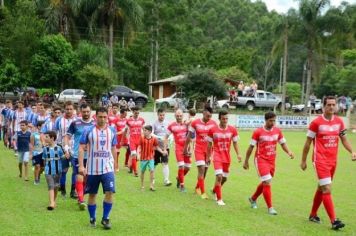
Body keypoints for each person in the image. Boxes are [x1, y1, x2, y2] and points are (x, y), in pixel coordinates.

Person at [301, 96, 356, 230]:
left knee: (321, 187)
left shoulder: (339, 122)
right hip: (319, 160)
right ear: (323, 106)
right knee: (327, 188)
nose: (331, 107)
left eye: (333, 105)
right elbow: (308, 143)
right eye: (329, 105)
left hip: (333, 160)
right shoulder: (316, 123)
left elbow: (344, 139)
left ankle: (313, 215)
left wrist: (352, 151)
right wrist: (303, 160)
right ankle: (334, 221)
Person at [243, 112, 294, 215]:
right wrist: (246, 161)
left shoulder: (277, 131)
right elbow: (251, 147)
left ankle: (253, 198)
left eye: (274, 120)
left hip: (272, 160)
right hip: (260, 160)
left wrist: (289, 152)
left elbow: (282, 143)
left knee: (265, 182)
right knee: (267, 182)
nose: (273, 123)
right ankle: (270, 208)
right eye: (271, 121)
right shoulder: (258, 132)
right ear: (265, 120)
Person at [79, 107, 117, 229]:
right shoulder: (88, 130)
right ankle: (92, 218)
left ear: (107, 117)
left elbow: (113, 148)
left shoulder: (112, 130)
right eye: (100, 117)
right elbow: (81, 148)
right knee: (92, 194)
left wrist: (115, 165)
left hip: (108, 168)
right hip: (92, 169)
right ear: (96, 117)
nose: (102, 119)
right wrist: (81, 165)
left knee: (110, 192)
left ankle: (105, 218)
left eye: (105, 117)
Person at [207, 110, 241, 206]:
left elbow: (235, 143)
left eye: (226, 118)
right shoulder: (213, 130)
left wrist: (238, 154)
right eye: (223, 118)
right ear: (219, 119)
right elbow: (209, 144)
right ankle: (219, 199)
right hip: (217, 155)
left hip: (226, 157)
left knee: (224, 179)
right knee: (219, 176)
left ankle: (214, 190)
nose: (225, 120)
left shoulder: (232, 130)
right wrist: (208, 157)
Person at [65, 104, 95, 210]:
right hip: (78, 155)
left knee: (87, 178)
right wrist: (66, 147)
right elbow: (67, 136)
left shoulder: (95, 123)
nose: (86, 114)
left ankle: (80, 196)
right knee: (79, 175)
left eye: (88, 111)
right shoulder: (75, 123)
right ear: (80, 112)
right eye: (84, 112)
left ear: (91, 111)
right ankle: (81, 200)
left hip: (92, 156)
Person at [184, 106, 216, 199]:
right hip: (198, 149)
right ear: (203, 113)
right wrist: (185, 148)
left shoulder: (214, 124)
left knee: (205, 171)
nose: (208, 118)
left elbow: (216, 137)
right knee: (201, 169)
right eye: (207, 116)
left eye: (210, 116)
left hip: (209, 150)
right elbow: (189, 136)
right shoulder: (195, 123)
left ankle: (197, 187)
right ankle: (203, 193)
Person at [55, 101, 76, 198]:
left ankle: (73, 191)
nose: (69, 111)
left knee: (75, 171)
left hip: (74, 148)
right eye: (67, 109)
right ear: (64, 109)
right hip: (62, 147)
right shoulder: (59, 120)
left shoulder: (77, 120)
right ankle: (63, 189)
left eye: (71, 109)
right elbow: (55, 133)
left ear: (73, 109)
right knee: (64, 170)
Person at [166, 109, 191, 192]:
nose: (179, 117)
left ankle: (178, 178)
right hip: (178, 148)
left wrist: (190, 148)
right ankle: (182, 185)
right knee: (181, 166)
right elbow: (165, 136)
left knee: (187, 168)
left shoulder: (187, 125)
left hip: (187, 148)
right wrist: (165, 147)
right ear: (175, 116)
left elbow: (191, 135)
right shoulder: (171, 126)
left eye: (180, 116)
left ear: (183, 116)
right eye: (177, 116)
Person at [42, 131, 65, 210]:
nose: (45, 138)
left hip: (58, 170)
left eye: (47, 137)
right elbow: (44, 159)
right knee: (51, 186)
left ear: (52, 138)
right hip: (48, 171)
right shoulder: (45, 149)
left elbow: (62, 157)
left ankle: (53, 201)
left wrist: (67, 156)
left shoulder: (58, 148)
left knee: (56, 186)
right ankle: (51, 203)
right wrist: (44, 168)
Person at [139, 125, 166, 191]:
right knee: (142, 172)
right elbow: (139, 147)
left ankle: (151, 185)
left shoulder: (154, 139)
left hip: (151, 158)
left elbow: (156, 147)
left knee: (152, 170)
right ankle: (142, 185)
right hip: (143, 158)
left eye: (145, 130)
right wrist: (137, 154)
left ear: (150, 131)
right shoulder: (142, 138)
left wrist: (162, 152)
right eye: (143, 130)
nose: (144, 132)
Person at [152, 108, 171, 186]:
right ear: (157, 115)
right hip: (156, 147)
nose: (162, 116)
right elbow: (151, 133)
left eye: (163, 115)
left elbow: (171, 133)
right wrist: (158, 137)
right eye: (160, 115)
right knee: (154, 164)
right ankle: (152, 179)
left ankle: (166, 180)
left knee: (165, 163)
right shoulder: (154, 124)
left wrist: (170, 138)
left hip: (165, 147)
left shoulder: (168, 123)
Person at [124, 106, 145, 177]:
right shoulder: (129, 121)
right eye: (135, 113)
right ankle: (135, 171)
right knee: (133, 154)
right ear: (133, 112)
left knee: (138, 158)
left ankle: (131, 166)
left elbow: (144, 130)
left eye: (138, 113)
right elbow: (126, 130)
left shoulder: (142, 120)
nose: (137, 114)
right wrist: (127, 139)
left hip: (139, 141)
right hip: (132, 140)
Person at [30, 121, 45, 185]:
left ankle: (38, 175)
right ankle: (36, 179)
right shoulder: (34, 134)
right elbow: (32, 145)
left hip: (44, 152)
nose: (44, 127)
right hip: (36, 153)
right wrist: (31, 153)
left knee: (43, 167)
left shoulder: (46, 134)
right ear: (39, 126)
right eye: (43, 126)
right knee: (37, 166)